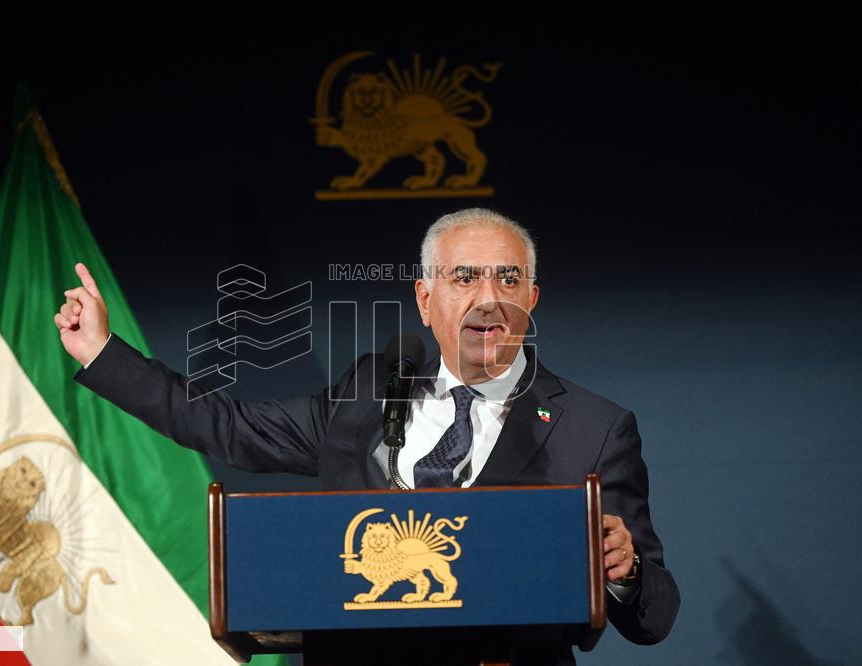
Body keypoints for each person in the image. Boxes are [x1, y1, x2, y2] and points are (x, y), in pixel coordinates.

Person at [55, 207, 679, 663]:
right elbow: (229, 428)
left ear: (532, 298)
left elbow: (655, 614)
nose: (489, 299)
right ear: (425, 300)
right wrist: (103, 353)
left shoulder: (594, 428)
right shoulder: (367, 394)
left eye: (508, 280)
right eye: (465, 278)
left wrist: (624, 571)